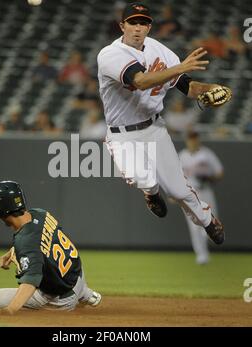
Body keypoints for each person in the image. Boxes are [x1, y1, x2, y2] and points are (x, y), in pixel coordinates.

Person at [97, 2, 230, 246]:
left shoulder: (160, 51)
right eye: (132, 22)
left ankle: (208, 220)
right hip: (122, 135)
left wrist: (207, 89)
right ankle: (151, 193)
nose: (138, 28)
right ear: (122, 26)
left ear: (149, 26)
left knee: (179, 191)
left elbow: (186, 85)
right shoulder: (109, 54)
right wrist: (180, 67)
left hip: (154, 129)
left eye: (143, 23)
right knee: (142, 178)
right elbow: (141, 81)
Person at [0, 181, 101, 313]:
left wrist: (10, 310)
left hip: (60, 299)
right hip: (78, 275)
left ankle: (71, 302)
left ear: (0, 211)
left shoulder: (26, 241)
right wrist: (13, 251)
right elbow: (40, 242)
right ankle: (86, 294)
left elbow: (31, 282)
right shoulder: (40, 213)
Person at [179, 131, 224, 264]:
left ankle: (205, 245)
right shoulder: (182, 156)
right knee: (194, 226)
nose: (192, 141)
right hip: (189, 195)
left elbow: (219, 172)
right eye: (190, 139)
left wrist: (210, 177)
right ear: (187, 140)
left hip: (205, 191)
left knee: (211, 222)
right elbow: (176, 178)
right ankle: (201, 254)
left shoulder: (207, 154)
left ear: (198, 140)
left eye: (194, 138)